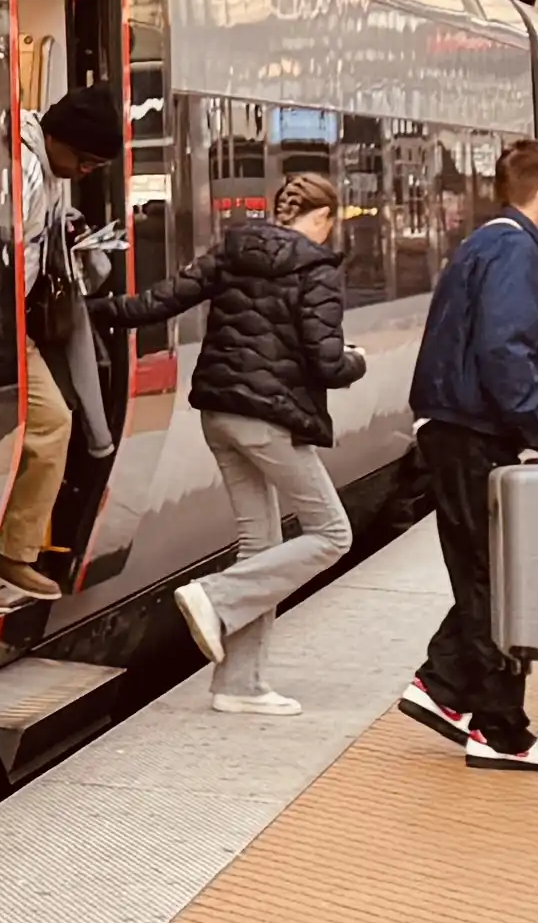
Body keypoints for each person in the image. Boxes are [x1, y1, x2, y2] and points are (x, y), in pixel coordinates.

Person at [106, 166, 362, 715]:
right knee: (332, 533)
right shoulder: (316, 267)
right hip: (270, 419)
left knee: (262, 545)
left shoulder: (232, 247)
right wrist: (354, 362)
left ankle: (239, 685)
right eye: (329, 224)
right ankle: (216, 597)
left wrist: (94, 311)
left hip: (219, 413)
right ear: (320, 218)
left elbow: (158, 302)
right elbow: (326, 359)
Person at [403, 136, 538, 772]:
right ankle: (491, 722)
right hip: (472, 431)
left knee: (492, 574)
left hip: (460, 427)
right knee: (499, 576)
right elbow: (506, 347)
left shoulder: (493, 241)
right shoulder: (515, 249)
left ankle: (455, 694)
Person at [0, 87, 122, 604]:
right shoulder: (25, 168)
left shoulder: (40, 164)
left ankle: (5, 555)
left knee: (46, 424)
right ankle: (5, 558)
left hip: (7, 323)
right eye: (85, 162)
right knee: (47, 424)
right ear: (60, 140)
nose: (85, 172)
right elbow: (0, 251)